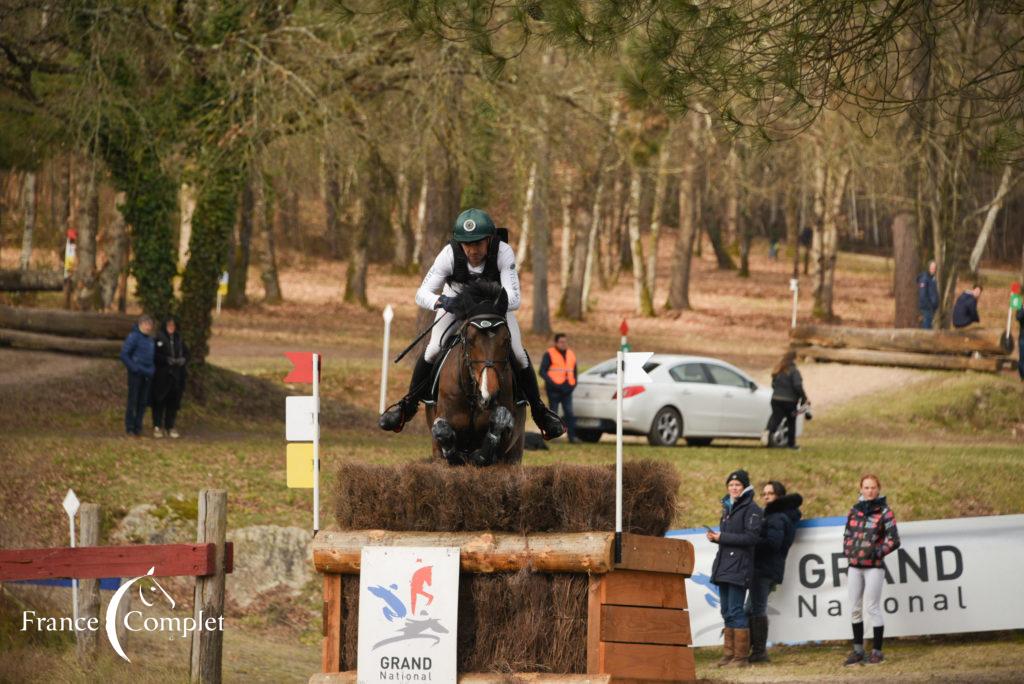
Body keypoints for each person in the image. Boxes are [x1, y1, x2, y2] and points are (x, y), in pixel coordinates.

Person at [379, 208, 565, 439]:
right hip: (457, 305)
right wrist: (443, 301)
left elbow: (514, 300)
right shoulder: (448, 255)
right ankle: (407, 406)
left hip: (495, 307)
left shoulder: (503, 252)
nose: (472, 250)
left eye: (477, 243)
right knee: (434, 348)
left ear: (489, 239)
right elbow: (421, 294)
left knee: (518, 353)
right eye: (466, 244)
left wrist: (488, 306)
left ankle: (539, 412)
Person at [707, 469, 762, 669]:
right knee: (726, 611)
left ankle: (740, 658)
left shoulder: (753, 509)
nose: (734, 488)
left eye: (737, 485)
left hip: (740, 567)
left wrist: (722, 537)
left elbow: (751, 538)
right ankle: (729, 655)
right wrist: (716, 539)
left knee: (736, 611)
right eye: (731, 485)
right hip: (724, 566)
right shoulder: (728, 508)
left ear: (745, 487)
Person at [843, 474, 900, 666]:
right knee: (854, 609)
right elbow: (847, 535)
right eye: (866, 487)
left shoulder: (885, 512)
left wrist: (877, 552)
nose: (870, 491)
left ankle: (877, 652)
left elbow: (894, 540)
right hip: (854, 567)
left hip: (874, 567)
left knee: (872, 607)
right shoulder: (854, 511)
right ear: (860, 489)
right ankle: (858, 651)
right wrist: (849, 551)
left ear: (879, 489)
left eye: (873, 487)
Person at [746, 481, 803, 664]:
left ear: (779, 496)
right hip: (770, 569)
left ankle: (759, 652)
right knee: (751, 609)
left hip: (764, 569)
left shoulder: (776, 517)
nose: (766, 496)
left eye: (770, 493)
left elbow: (773, 543)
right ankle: (748, 649)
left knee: (757, 609)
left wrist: (752, 542)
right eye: (764, 494)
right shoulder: (779, 516)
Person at [152, 316, 189, 439]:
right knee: (159, 401)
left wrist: (182, 360)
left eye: (173, 325)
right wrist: (166, 360)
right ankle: (157, 426)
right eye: (169, 325)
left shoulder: (179, 338)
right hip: (162, 375)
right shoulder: (158, 338)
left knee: (173, 403)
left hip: (177, 376)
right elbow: (154, 355)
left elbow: (187, 353)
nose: (171, 327)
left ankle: (170, 426)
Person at [763, 351, 808, 449]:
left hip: (775, 399)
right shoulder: (794, 371)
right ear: (794, 359)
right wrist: (804, 398)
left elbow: (773, 385)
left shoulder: (777, 370)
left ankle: (769, 436)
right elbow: (797, 386)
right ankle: (791, 444)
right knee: (791, 422)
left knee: (776, 419)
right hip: (790, 401)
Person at [120, 314, 155, 437]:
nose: (148, 327)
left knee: (143, 402)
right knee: (133, 401)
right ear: (140, 324)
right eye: (146, 324)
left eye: (150, 325)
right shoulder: (133, 337)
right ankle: (129, 427)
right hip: (136, 374)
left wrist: (152, 370)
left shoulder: (150, 340)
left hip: (147, 375)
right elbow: (124, 354)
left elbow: (152, 358)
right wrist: (134, 368)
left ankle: (138, 427)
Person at [539, 333, 578, 442]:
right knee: (553, 414)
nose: (563, 344)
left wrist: (572, 385)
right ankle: (553, 437)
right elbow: (542, 372)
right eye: (561, 342)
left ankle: (572, 437)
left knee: (569, 413)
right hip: (554, 390)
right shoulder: (549, 354)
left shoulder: (571, 354)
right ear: (556, 342)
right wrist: (554, 384)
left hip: (567, 390)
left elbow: (574, 372)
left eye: (565, 341)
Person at [916, 260, 940, 329]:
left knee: (929, 326)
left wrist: (935, 304)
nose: (933, 269)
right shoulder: (924, 278)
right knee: (926, 328)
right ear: (928, 268)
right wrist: (929, 306)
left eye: (935, 268)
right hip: (927, 308)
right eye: (932, 268)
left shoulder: (932, 278)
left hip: (931, 308)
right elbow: (922, 295)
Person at [1017, 306, 1024, 381]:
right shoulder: (1020, 309)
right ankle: (1022, 376)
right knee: (1022, 357)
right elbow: (1018, 317)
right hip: (1023, 337)